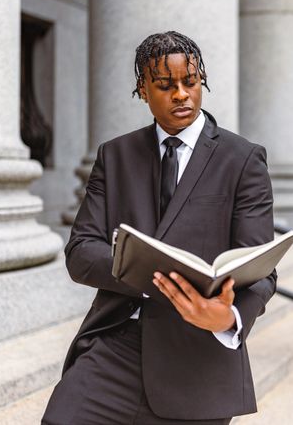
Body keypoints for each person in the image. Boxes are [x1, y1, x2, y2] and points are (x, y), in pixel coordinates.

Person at [42, 31, 276, 424]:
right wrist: (153, 274)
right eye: (165, 85)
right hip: (115, 345)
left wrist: (227, 318)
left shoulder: (243, 160)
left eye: (191, 82)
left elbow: (260, 268)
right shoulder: (114, 155)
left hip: (198, 354)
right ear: (143, 90)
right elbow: (81, 251)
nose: (181, 94)